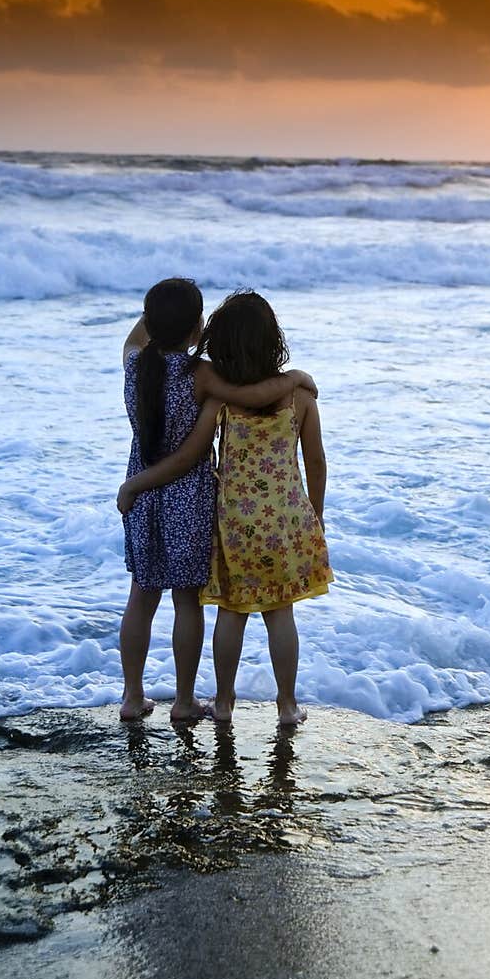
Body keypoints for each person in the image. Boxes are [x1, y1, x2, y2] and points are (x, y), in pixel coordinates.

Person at [118, 289, 332, 727]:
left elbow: (141, 335)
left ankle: (150, 697)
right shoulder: (209, 380)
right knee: (202, 604)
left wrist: (160, 313)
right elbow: (305, 449)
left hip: (175, 507)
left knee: (145, 596)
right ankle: (212, 701)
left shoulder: (134, 362)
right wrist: (294, 379)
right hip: (208, 503)